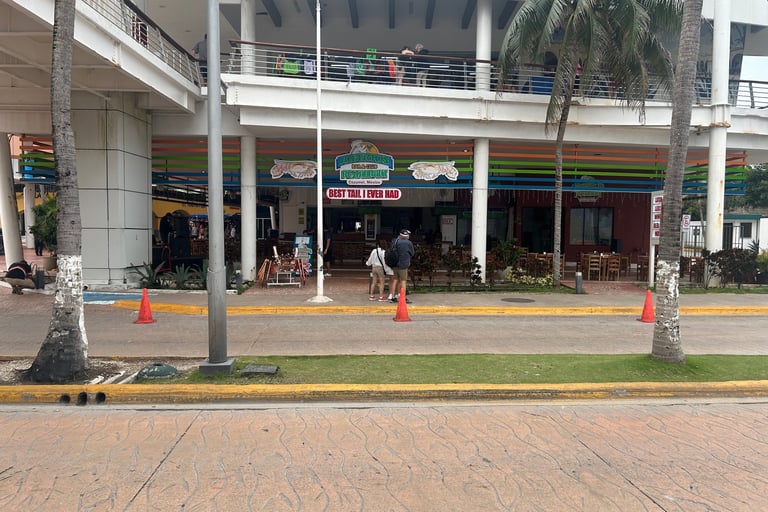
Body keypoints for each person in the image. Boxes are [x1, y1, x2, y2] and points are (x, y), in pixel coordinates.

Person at [390, 229, 415, 303]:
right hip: (403, 264)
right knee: (403, 281)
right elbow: (412, 253)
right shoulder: (409, 243)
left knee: (395, 280)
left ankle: (393, 297)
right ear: (406, 235)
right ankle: (403, 298)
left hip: (395, 263)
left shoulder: (396, 241)